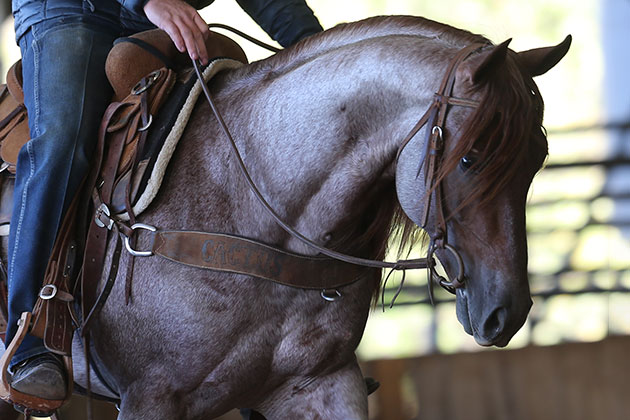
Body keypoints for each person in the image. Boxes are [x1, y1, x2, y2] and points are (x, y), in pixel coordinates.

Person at [4, 0, 322, 410]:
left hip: (158, 17)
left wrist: (316, 48)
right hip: (71, 11)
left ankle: (271, 355)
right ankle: (31, 339)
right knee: (63, 141)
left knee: (239, 131)